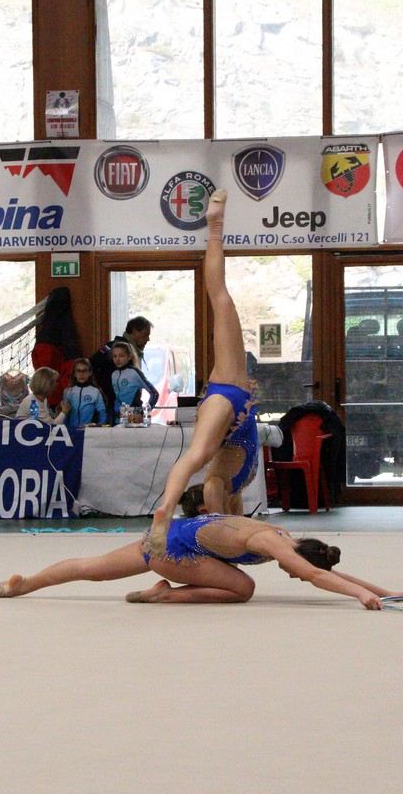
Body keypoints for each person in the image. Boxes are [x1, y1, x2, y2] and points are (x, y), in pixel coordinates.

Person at [0, 510, 403, 609]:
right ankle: (166, 595)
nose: (299, 575)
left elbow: (322, 571)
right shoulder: (277, 547)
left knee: (92, 569)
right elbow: (312, 574)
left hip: (169, 532)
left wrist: (388, 592)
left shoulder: (283, 537)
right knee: (244, 588)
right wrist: (364, 599)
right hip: (172, 550)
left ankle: (23, 585)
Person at [148, 190, 258, 549]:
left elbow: (214, 491)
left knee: (221, 297)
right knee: (220, 298)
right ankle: (214, 228)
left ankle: (165, 509)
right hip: (229, 394)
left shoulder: (219, 484)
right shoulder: (229, 487)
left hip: (228, 393)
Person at [90, 315, 153, 411]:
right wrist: (101, 391)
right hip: (113, 406)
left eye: (121, 356)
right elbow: (91, 364)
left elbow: (153, 392)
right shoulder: (111, 347)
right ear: (135, 331)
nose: (148, 339)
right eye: (145, 335)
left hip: (132, 407)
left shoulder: (136, 352)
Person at [110, 340, 158, 423]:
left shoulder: (134, 372)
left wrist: (143, 413)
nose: (117, 359)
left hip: (134, 416)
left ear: (129, 357)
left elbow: (154, 393)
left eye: (121, 356)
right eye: (114, 356)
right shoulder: (114, 374)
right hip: (118, 417)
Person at [62, 358, 107, 428]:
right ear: (74, 373)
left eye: (85, 371)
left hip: (88, 432)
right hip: (71, 430)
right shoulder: (68, 391)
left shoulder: (95, 391)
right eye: (78, 371)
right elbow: (64, 414)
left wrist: (100, 428)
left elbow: (102, 413)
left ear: (90, 373)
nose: (81, 374)